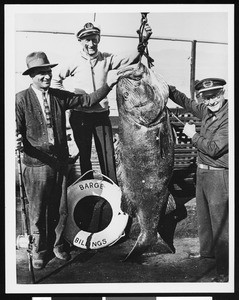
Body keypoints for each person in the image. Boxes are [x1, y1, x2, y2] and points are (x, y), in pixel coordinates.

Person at [15, 51, 121, 269]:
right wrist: (15, 139)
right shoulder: (20, 99)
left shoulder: (58, 96)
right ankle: (39, 250)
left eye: (48, 71)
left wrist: (108, 85)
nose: (46, 76)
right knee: (37, 210)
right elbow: (14, 128)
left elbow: (88, 100)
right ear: (31, 76)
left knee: (61, 208)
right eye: (40, 73)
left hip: (60, 163)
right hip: (36, 164)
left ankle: (57, 244)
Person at [51, 21, 152, 182]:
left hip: (101, 115)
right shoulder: (73, 61)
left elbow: (131, 57)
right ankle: (87, 188)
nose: (91, 44)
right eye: (87, 40)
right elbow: (55, 79)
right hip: (80, 116)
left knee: (107, 154)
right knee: (84, 155)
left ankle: (111, 187)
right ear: (80, 41)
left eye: (94, 39)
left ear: (98, 39)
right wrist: (70, 100)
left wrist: (143, 41)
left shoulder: (107, 59)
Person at [168, 78, 229, 282]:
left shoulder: (229, 117)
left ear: (222, 93)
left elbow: (214, 148)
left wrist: (191, 136)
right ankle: (207, 257)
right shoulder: (206, 111)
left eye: (215, 96)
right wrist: (167, 89)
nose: (211, 101)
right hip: (202, 172)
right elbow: (185, 101)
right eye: (207, 98)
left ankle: (224, 271)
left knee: (221, 224)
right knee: (204, 220)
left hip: (218, 173)